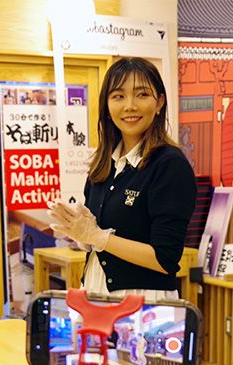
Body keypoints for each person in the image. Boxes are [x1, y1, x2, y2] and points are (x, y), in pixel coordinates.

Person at [48, 57, 196, 302]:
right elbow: (98, 240)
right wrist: (82, 234)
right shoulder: (103, 164)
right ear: (106, 105)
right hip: (94, 292)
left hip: (144, 303)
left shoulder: (170, 165)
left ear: (159, 102)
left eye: (141, 95)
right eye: (118, 96)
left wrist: (98, 237)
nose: (129, 106)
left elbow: (165, 258)